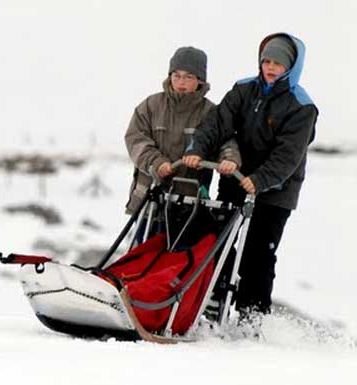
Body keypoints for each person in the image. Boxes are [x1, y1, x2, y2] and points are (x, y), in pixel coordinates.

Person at [183, 33, 318, 318]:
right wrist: (197, 149)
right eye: (266, 60)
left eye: (278, 63)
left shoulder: (302, 106)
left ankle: (251, 317)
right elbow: (216, 125)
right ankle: (212, 301)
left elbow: (288, 156)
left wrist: (259, 180)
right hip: (236, 178)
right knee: (215, 239)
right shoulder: (244, 90)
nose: (270, 67)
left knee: (258, 254)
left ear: (291, 67)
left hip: (275, 191)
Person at [124, 46, 240, 239]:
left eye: (188, 77)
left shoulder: (211, 113)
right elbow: (135, 139)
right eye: (176, 76)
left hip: (188, 206)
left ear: (200, 80)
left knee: (176, 264)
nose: (181, 82)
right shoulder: (151, 106)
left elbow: (226, 142)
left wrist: (229, 160)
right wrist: (156, 162)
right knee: (141, 260)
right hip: (149, 201)